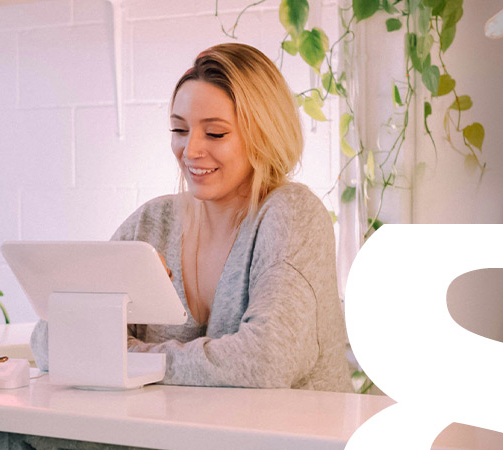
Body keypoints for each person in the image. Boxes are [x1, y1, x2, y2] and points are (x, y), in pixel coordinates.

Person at [30, 43, 352, 392]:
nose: (191, 150)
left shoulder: (292, 214)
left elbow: (266, 361)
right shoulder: (153, 222)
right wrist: (111, 295)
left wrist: (127, 358)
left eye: (215, 133)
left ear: (265, 133)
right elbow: (49, 344)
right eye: (180, 130)